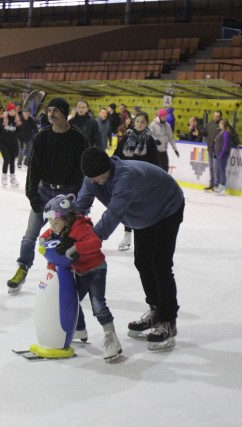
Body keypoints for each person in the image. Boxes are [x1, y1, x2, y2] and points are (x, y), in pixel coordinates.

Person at [76, 147, 185, 351]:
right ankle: (155, 310)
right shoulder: (91, 178)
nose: (91, 181)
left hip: (167, 207)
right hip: (143, 215)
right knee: (142, 262)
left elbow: (113, 215)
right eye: (88, 177)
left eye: (95, 176)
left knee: (160, 265)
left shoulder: (125, 177)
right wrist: (68, 230)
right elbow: (81, 205)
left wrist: (87, 243)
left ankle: (168, 320)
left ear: (106, 169)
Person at [6, 97, 89, 295]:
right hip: (44, 193)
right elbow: (33, 168)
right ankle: (22, 268)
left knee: (68, 239)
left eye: (55, 111)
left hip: (66, 195)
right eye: (49, 110)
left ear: (64, 112)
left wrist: (75, 198)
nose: (50, 114)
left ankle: (72, 275)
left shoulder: (78, 138)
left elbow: (82, 172)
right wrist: (32, 195)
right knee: (30, 236)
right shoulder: (42, 136)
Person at [39, 193, 122, 361]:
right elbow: (49, 232)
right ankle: (80, 329)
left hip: (95, 269)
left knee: (98, 305)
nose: (53, 227)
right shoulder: (60, 227)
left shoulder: (80, 227)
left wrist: (76, 248)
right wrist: (43, 238)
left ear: (68, 218)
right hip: (80, 270)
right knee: (74, 300)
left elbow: (95, 243)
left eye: (56, 223)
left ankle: (111, 338)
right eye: (50, 223)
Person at [113, 111, 161, 251]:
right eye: (138, 121)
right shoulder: (126, 138)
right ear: (134, 122)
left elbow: (155, 163)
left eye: (143, 122)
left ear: (147, 124)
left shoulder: (150, 141)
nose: (140, 124)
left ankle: (142, 238)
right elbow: (117, 155)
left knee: (141, 209)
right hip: (126, 179)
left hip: (143, 181)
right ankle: (127, 235)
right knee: (126, 208)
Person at [0, 103, 21, 187]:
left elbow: (19, 133)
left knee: (12, 161)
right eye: (11, 110)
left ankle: (12, 178)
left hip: (13, 144)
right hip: (3, 143)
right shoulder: (2, 119)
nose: (13, 112)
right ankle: (4, 177)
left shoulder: (17, 120)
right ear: (8, 111)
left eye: (14, 110)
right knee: (7, 160)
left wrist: (20, 126)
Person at [212, 118, 232, 194]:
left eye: (220, 124)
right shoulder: (222, 132)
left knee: (222, 171)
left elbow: (225, 145)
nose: (219, 125)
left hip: (222, 155)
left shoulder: (226, 133)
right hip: (219, 154)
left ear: (224, 125)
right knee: (220, 170)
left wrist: (221, 154)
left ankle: (222, 187)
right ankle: (220, 186)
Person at [203, 110, 222, 191]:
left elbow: (231, 133)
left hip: (217, 151)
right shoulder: (210, 124)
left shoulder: (222, 125)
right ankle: (212, 183)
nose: (216, 118)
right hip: (210, 149)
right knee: (211, 167)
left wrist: (237, 142)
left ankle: (216, 184)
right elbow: (205, 132)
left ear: (220, 117)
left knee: (215, 168)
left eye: (217, 117)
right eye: (215, 116)